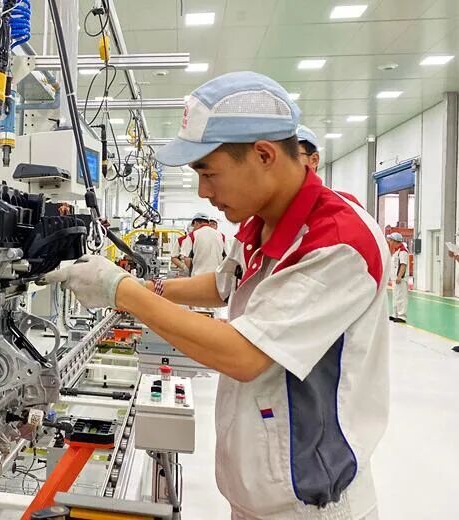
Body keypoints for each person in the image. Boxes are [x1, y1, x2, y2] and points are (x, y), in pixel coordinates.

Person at [46, 71, 389, 519]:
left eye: (208, 173)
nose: (204, 192)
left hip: (310, 502)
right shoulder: (261, 221)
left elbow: (244, 355)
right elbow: (223, 285)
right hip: (258, 486)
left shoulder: (337, 243)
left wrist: (121, 292)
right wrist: (151, 288)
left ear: (263, 155)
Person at [387, 232, 409, 323]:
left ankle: (402, 316)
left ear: (395, 241)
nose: (389, 241)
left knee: (401, 297)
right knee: (395, 296)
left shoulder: (403, 251)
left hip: (400, 279)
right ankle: (395, 314)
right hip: (395, 279)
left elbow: (403, 265)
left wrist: (399, 276)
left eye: (391, 240)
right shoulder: (397, 251)